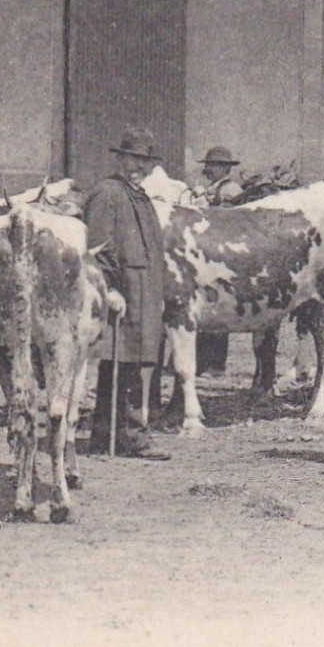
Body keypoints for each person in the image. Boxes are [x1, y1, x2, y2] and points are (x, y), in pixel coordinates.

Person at [84, 128, 170, 460]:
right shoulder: (107, 194)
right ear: (120, 158)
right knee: (123, 365)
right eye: (133, 159)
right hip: (125, 296)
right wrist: (111, 289)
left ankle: (108, 434)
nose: (139, 167)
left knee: (131, 364)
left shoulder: (140, 196)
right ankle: (132, 436)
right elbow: (98, 248)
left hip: (145, 295)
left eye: (145, 162)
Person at [188, 146, 244, 377]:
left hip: (223, 253)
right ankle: (202, 362)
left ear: (224, 168)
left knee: (218, 306)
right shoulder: (211, 188)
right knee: (205, 306)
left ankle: (216, 364)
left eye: (212, 165)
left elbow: (230, 219)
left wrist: (206, 204)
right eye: (208, 165)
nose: (207, 169)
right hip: (208, 251)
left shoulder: (231, 190)